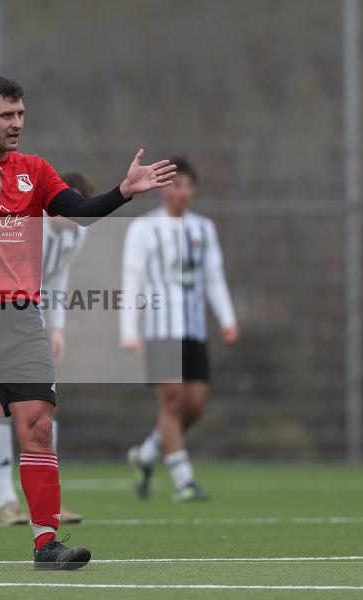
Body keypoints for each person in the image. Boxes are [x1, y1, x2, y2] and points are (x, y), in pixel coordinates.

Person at [0, 75, 176, 570]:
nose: (17, 123)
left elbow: (80, 212)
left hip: (21, 317)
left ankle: (47, 542)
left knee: (38, 425)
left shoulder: (35, 170)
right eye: (7, 115)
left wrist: (124, 192)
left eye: (21, 114)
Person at [120, 157, 238, 502]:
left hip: (194, 329)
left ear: (194, 189)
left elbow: (214, 278)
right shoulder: (144, 228)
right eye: (174, 184)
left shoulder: (204, 229)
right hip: (159, 328)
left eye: (187, 184)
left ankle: (145, 455)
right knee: (171, 401)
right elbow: (132, 279)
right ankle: (184, 480)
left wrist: (228, 320)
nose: (181, 191)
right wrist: (130, 329)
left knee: (195, 405)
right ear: (161, 188)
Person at [0, 172, 91, 526]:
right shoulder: (25, 225)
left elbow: (58, 275)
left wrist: (56, 328)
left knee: (44, 408)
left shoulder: (78, 232)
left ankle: (48, 502)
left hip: (32, 317)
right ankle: (6, 501)